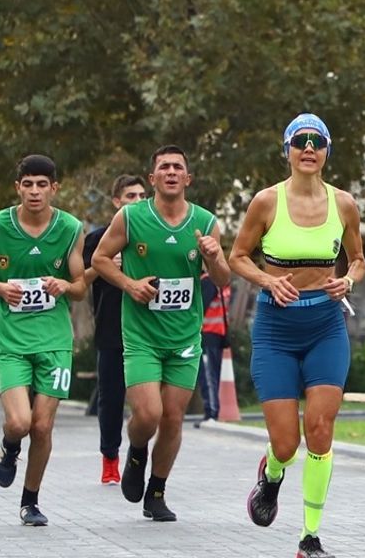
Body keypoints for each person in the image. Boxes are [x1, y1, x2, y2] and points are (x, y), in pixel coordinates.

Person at [227, 114, 365, 558]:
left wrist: (348, 280)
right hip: (276, 330)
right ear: (286, 149)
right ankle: (270, 475)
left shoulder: (344, 204)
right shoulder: (266, 203)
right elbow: (238, 257)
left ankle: (310, 536)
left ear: (327, 151)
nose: (309, 148)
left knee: (321, 430)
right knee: (286, 445)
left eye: (318, 141)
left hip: (326, 326)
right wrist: (267, 282)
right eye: (300, 141)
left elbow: (359, 259)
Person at [91, 145, 231, 522]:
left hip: (184, 337)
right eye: (164, 167)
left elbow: (222, 280)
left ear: (188, 179)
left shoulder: (204, 221)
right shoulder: (131, 217)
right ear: (153, 179)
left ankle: (156, 491)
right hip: (141, 336)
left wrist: (216, 256)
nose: (171, 172)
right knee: (149, 413)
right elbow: (99, 260)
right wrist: (129, 284)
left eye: (178, 168)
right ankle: (136, 452)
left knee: (172, 417)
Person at [0, 154, 87, 526]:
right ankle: (9, 447)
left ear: (54, 188)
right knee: (20, 423)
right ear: (17, 187)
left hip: (54, 341)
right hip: (11, 341)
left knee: (42, 426)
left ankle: (30, 500)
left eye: (42, 185)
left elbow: (81, 286)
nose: (34, 192)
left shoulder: (70, 228)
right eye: (28, 184)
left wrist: (65, 285)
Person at [82, 173, 147, 485]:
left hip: (148, 328)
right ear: (116, 202)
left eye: (140, 196)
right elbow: (80, 281)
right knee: (111, 397)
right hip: (111, 328)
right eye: (130, 196)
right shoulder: (97, 239)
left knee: (147, 402)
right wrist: (104, 264)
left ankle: (138, 453)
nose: (136, 202)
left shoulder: (152, 234)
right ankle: (110, 458)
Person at [194, 271, 233, 425]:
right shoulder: (219, 280)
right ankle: (211, 411)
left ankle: (211, 412)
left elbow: (198, 309)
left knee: (208, 375)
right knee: (212, 373)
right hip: (218, 332)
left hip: (208, 332)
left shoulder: (207, 281)